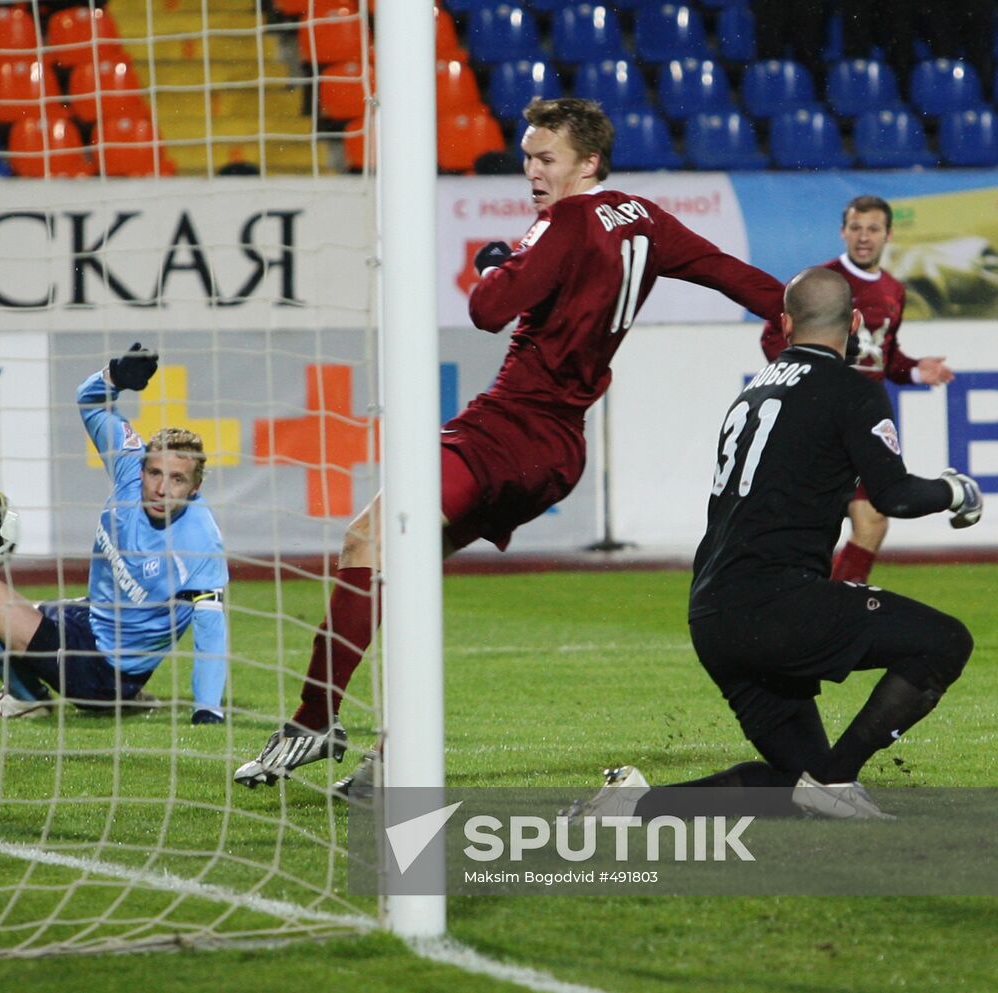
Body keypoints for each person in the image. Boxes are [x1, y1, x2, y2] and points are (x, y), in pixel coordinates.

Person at [233, 97, 786, 791]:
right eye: (527, 156)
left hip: (505, 429)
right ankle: (394, 760)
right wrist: (805, 320)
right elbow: (735, 276)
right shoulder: (643, 217)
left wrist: (500, 259)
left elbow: (486, 308)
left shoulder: (565, 220)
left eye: (545, 158)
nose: (531, 171)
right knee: (399, 576)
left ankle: (314, 721)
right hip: (557, 454)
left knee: (366, 544)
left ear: (588, 162)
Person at [572, 268, 980, 822]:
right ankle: (837, 781)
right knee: (945, 640)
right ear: (856, 324)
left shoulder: (755, 389)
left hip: (713, 614)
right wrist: (956, 490)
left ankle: (634, 805)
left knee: (792, 784)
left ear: (785, 324)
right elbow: (896, 496)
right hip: (778, 604)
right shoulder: (851, 390)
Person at [0, 344, 229, 725]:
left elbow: (211, 632)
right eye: (155, 474)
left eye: (178, 479)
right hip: (89, 620)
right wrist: (114, 377)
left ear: (195, 489)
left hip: (105, 671)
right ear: (143, 468)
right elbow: (91, 401)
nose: (161, 489)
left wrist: (208, 711)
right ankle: (42, 694)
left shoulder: (199, 541)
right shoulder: (129, 470)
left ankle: (26, 699)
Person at [762, 195, 955, 585]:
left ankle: (827, 613)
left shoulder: (893, 291)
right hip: (820, 421)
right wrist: (815, 386)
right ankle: (813, 610)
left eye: (872, 229)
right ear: (842, 232)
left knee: (872, 522)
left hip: (863, 425)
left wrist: (916, 370)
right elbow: (773, 339)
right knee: (813, 526)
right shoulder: (821, 283)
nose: (863, 237)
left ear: (888, 235)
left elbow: (884, 355)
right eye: (856, 228)